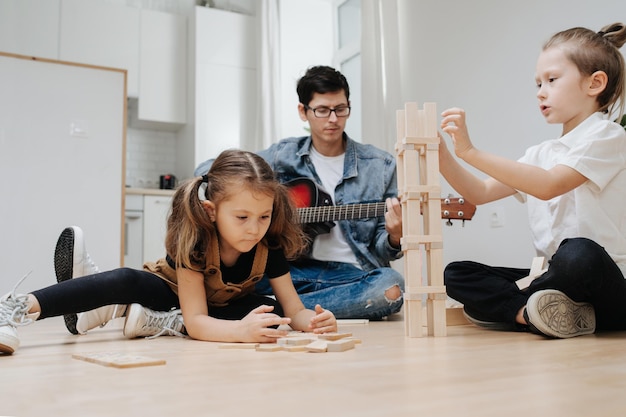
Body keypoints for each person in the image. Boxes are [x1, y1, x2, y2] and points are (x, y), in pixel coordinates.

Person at [0, 149, 337, 355]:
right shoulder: (196, 239)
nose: (254, 228)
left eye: (264, 216)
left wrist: (314, 321)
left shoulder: (269, 242)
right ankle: (16, 307)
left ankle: (148, 320)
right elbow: (197, 321)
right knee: (125, 279)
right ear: (211, 210)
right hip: (170, 293)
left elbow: (294, 309)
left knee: (272, 315)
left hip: (215, 307)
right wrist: (238, 333)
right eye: (242, 217)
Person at [439, 23, 626, 339]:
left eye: (552, 80)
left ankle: (519, 309)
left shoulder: (609, 136)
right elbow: (480, 192)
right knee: (456, 273)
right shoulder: (540, 153)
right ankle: (529, 313)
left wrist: (469, 151)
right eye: (538, 83)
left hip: (602, 284)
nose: (541, 91)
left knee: (578, 253)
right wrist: (442, 154)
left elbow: (549, 184)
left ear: (594, 83)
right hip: (554, 279)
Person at [196, 66, 405, 320]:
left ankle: (261, 307)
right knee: (238, 274)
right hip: (290, 271)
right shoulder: (283, 154)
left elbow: (383, 250)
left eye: (340, 109)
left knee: (392, 288)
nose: (333, 119)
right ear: (303, 112)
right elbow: (208, 170)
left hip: (353, 274)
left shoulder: (380, 166)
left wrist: (395, 236)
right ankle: (286, 306)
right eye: (322, 110)